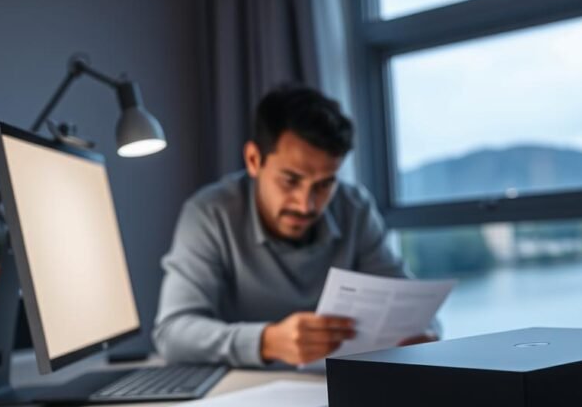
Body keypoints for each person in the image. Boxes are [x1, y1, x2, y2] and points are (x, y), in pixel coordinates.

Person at [153, 85, 436, 367]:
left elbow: (412, 305)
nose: (306, 205)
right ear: (253, 160)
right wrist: (267, 341)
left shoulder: (355, 207)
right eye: (290, 180)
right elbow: (173, 333)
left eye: (324, 184)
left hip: (339, 384)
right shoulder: (209, 213)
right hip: (243, 393)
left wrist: (423, 334)